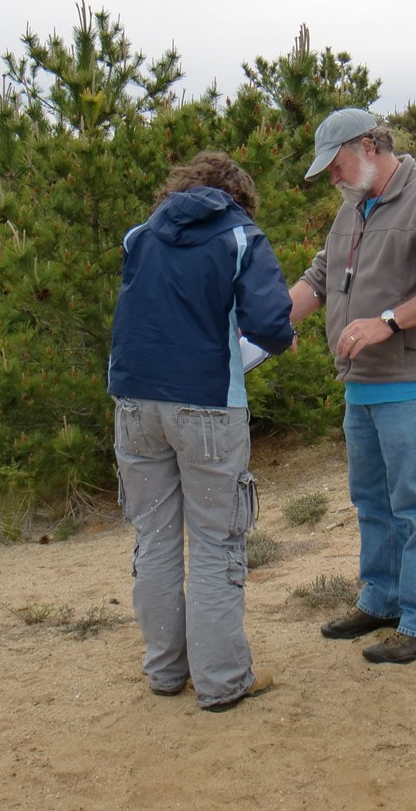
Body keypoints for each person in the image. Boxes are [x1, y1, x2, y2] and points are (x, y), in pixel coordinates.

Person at [288, 108, 416, 664]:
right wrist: (274, 322)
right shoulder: (353, 208)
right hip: (364, 385)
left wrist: (387, 321)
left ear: (370, 146)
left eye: (338, 164)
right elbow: (321, 276)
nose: (333, 178)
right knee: (372, 501)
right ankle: (384, 600)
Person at [109, 151, 294, 711]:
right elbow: (272, 325)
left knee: (155, 540)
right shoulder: (241, 236)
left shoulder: (141, 235)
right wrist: (270, 341)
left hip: (135, 402)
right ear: (241, 196)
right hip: (208, 407)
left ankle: (166, 672)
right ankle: (222, 681)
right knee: (216, 544)